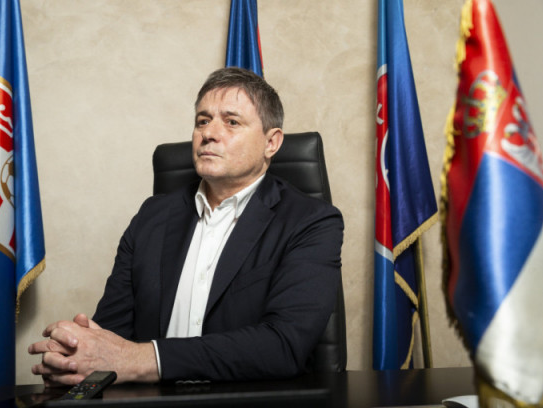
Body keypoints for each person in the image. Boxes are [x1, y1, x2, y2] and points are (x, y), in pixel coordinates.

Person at [29, 67, 344, 386]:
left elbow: (283, 346)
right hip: (151, 402)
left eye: (232, 122)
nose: (209, 133)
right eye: (202, 121)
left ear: (271, 143)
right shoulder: (151, 216)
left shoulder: (311, 221)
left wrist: (141, 359)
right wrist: (75, 358)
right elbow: (112, 336)